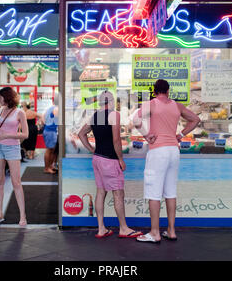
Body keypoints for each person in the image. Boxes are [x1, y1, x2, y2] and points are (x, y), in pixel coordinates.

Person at [133, 79, 200, 243]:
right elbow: (195, 120)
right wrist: (180, 135)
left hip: (158, 151)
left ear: (154, 92)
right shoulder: (177, 106)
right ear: (168, 91)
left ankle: (155, 233)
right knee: (170, 192)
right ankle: (171, 230)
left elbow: (135, 119)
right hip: (173, 151)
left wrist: (146, 135)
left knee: (154, 192)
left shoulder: (152, 103)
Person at [78, 90, 143, 239]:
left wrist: (91, 149)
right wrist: (120, 158)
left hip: (97, 158)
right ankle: (124, 228)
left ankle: (101, 229)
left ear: (100, 102)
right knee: (118, 193)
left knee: (100, 192)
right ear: (112, 101)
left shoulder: (94, 116)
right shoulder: (114, 114)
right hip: (110, 160)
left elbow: (81, 134)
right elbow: (116, 139)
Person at [0, 87, 29, 227]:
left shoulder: (20, 112)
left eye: (0, 97)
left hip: (12, 148)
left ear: (6, 97)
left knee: (16, 182)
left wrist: (8, 135)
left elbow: (25, 134)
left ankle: (22, 216)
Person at [42, 96, 59, 174]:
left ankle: (50, 166)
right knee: (49, 150)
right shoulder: (56, 109)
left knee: (52, 150)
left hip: (49, 130)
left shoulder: (49, 108)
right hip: (50, 132)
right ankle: (46, 168)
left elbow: (43, 118)